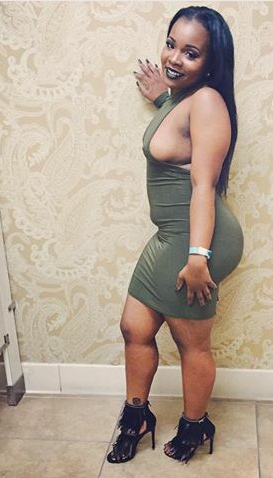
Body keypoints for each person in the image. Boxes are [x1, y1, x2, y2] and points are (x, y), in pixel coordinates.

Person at [107, 5, 244, 465]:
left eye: (191, 53)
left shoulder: (207, 103)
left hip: (197, 240)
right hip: (171, 235)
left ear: (211, 62)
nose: (174, 58)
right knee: (135, 327)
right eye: (171, 44)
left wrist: (198, 257)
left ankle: (194, 425)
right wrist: (162, 95)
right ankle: (137, 417)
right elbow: (177, 138)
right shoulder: (183, 99)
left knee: (191, 343)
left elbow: (203, 185)